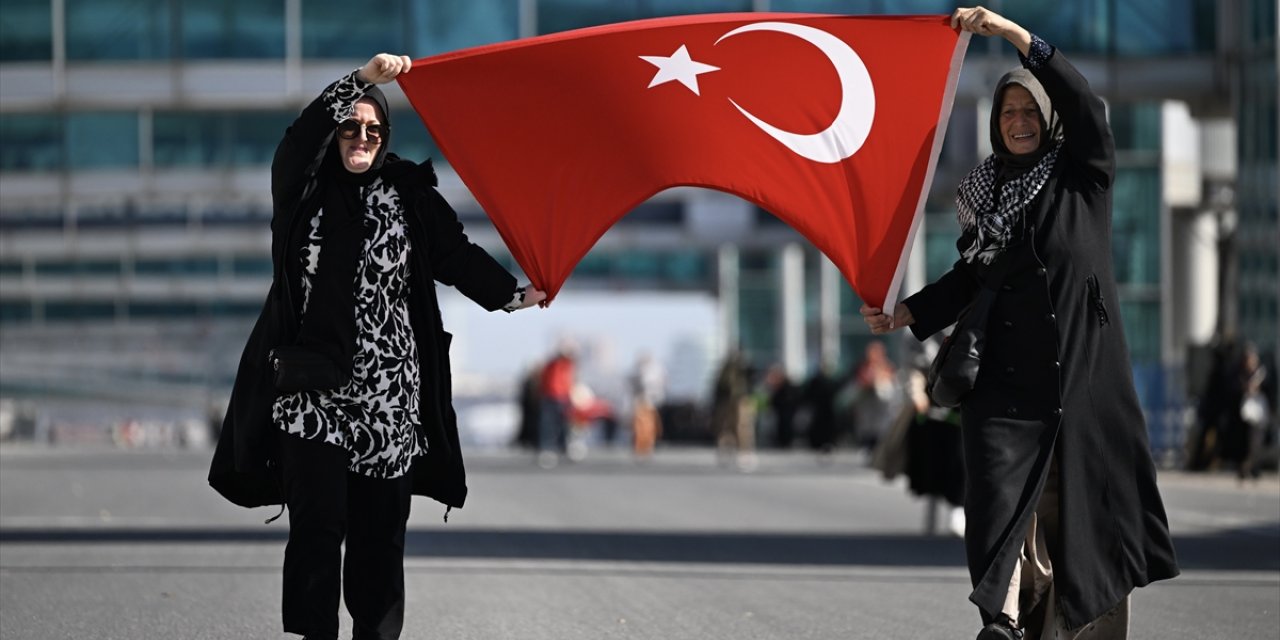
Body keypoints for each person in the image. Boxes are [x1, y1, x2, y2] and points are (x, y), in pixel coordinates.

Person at [861, 8, 1179, 639]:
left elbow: (1084, 99)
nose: (1019, 123)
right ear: (994, 125)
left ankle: (1071, 624)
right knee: (998, 504)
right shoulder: (982, 194)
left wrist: (1013, 37)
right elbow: (970, 279)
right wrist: (907, 313)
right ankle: (1001, 621)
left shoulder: (1083, 176)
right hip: (1002, 387)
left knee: (1081, 522)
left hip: (1081, 382)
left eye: (1030, 112)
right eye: (1008, 114)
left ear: (1050, 120)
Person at [209, 53, 546, 640]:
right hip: (313, 394)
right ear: (336, 132)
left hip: (392, 397)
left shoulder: (409, 195)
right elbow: (298, 139)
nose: (362, 138)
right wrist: (362, 81)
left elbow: (456, 255)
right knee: (318, 525)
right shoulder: (302, 191)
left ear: (385, 137)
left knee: (379, 534)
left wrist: (513, 295)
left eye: (374, 129)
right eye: (350, 128)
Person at [630, 352, 667, 459]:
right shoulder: (637, 371)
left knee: (648, 426)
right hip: (641, 402)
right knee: (640, 426)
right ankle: (640, 446)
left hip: (649, 402)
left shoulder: (655, 371)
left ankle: (647, 446)